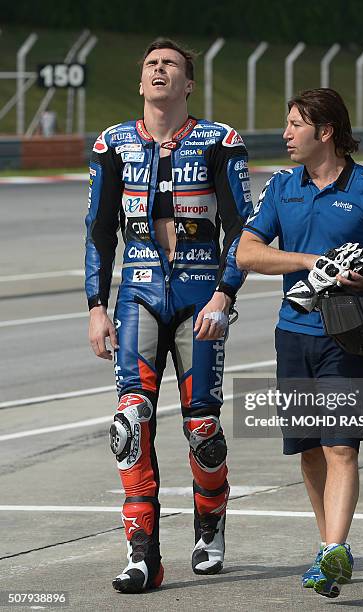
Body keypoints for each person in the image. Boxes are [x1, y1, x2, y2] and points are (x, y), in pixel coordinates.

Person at [85, 38, 252, 593]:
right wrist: (95, 308)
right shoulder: (112, 144)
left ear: (188, 84)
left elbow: (243, 231)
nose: (159, 71)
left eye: (170, 66)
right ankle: (142, 554)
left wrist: (225, 297)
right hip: (137, 295)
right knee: (129, 424)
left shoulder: (220, 141)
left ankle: (210, 525)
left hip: (201, 295)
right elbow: (98, 233)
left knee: (202, 428)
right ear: (140, 82)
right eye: (151, 65)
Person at [236, 88, 363, 598]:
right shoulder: (281, 186)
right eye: (288, 123)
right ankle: (328, 548)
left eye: (295, 124)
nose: (286, 134)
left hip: (347, 336)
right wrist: (310, 262)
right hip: (292, 333)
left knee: (341, 446)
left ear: (326, 132)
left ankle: (336, 546)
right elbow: (247, 253)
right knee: (309, 451)